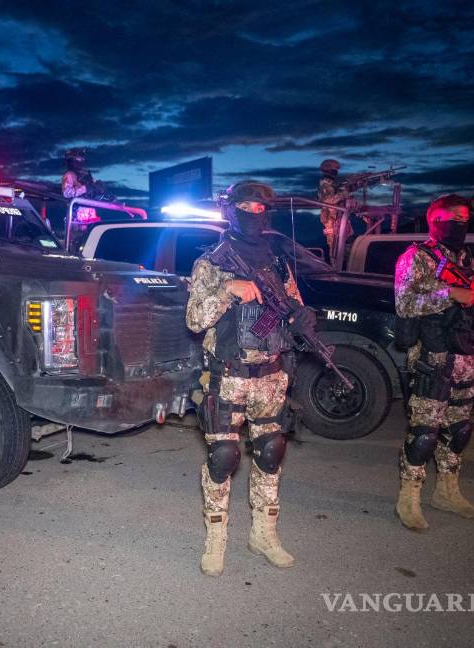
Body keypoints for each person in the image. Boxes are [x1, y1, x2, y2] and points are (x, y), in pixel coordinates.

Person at [186, 181, 317, 575]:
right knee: (223, 457)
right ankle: (216, 539)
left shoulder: (277, 262)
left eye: (261, 210)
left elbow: (292, 306)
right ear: (231, 211)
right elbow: (195, 319)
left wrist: (301, 318)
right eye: (246, 207)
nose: (254, 215)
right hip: (229, 375)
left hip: (271, 377)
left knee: (271, 452)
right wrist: (228, 290)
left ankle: (264, 534)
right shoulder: (211, 263)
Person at [393, 194, 474, 531]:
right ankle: (409, 499)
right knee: (424, 433)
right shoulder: (416, 257)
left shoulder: (468, 260)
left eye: (465, 219)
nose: (461, 224)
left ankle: (447, 492)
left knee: (459, 429)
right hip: (432, 357)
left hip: (465, 356)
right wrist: (448, 294)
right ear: (435, 221)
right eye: (454, 219)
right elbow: (404, 304)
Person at [317, 159, 347, 260]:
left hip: (335, 218)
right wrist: (344, 193)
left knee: (339, 246)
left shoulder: (331, 184)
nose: (336, 172)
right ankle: (335, 267)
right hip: (331, 219)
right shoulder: (325, 186)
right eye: (334, 170)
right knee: (334, 248)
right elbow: (328, 201)